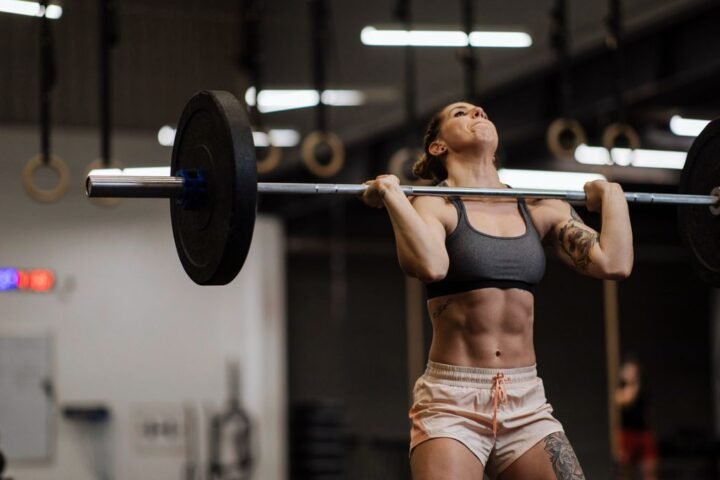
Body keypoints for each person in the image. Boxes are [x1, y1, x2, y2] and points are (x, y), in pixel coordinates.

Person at [361, 102, 633, 479]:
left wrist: (613, 194)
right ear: (438, 146)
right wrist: (393, 196)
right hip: (452, 402)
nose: (477, 113)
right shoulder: (433, 203)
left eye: (482, 112)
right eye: (461, 113)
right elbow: (430, 265)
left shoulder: (537, 205)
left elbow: (614, 263)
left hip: (527, 402)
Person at [615, 356, 658, 480]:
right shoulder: (621, 388)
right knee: (624, 469)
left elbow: (648, 412)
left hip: (643, 432)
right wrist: (630, 384)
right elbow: (624, 400)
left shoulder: (643, 388)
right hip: (627, 433)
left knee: (648, 470)